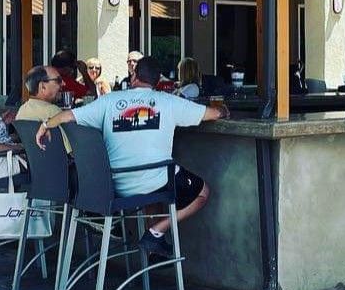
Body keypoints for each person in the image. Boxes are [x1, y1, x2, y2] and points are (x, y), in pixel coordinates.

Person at [34, 56, 227, 258]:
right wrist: (222, 109)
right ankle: (156, 232)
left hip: (113, 185)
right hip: (153, 182)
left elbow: (69, 115)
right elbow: (212, 114)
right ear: (157, 82)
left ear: (134, 76)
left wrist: (46, 125)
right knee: (202, 191)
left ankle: (155, 245)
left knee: (155, 189)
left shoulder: (109, 101)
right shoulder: (168, 101)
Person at [16, 65, 72, 153]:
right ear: (43, 87)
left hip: (34, 165)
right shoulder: (54, 112)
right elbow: (71, 150)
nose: (63, 83)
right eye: (58, 80)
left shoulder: (22, 110)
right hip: (59, 164)